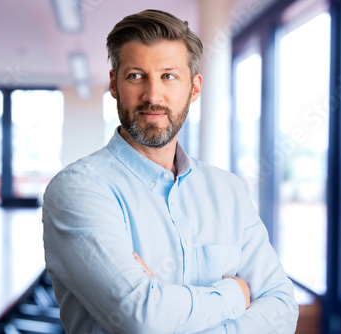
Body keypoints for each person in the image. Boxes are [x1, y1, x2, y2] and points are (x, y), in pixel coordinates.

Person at [42, 9, 299, 334]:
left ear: (194, 88)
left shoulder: (228, 190)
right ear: (114, 84)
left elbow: (282, 309)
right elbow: (142, 318)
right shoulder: (78, 189)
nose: (153, 95)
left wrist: (167, 309)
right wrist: (236, 294)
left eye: (168, 76)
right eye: (136, 75)